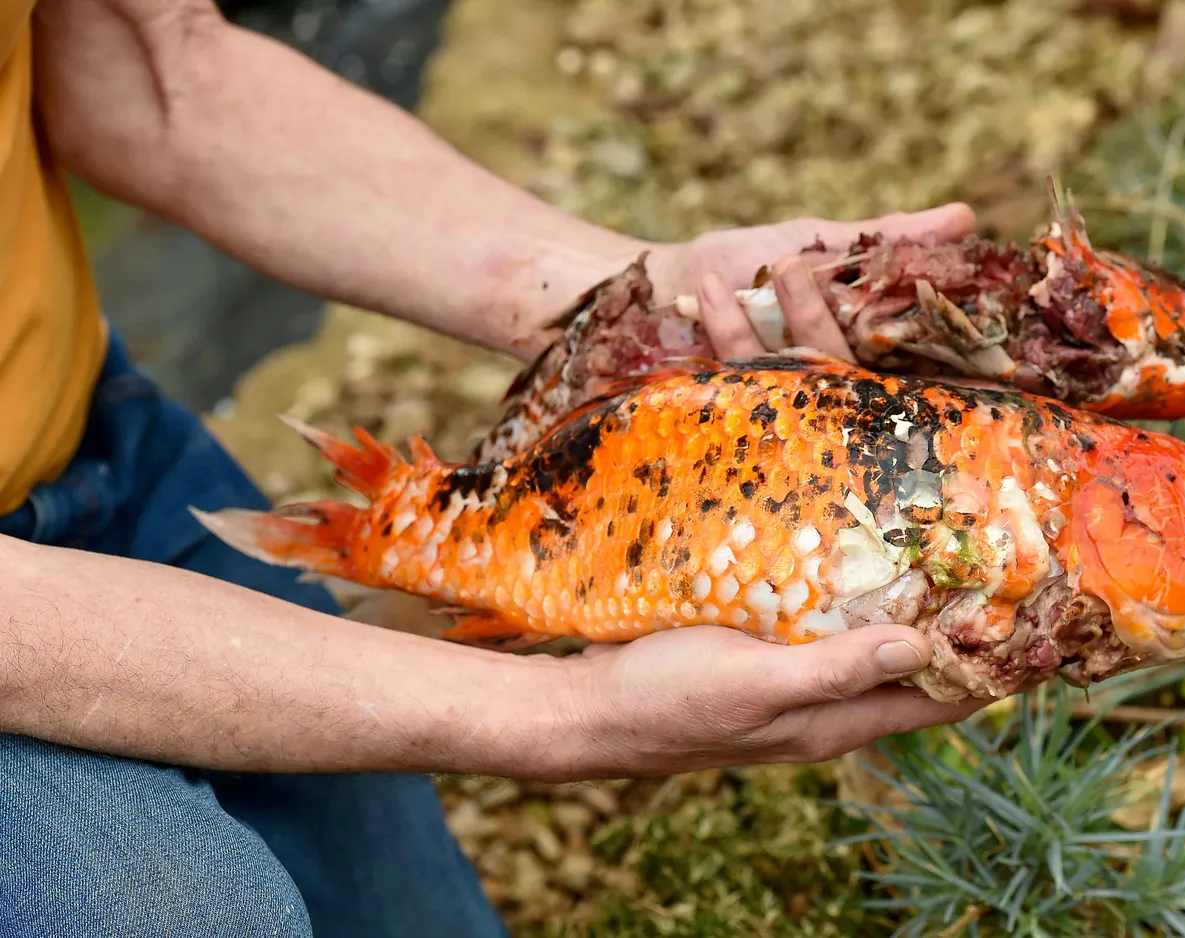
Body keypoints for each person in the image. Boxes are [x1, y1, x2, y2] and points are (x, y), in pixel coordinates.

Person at [0, 0, 993, 934]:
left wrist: (631, 301)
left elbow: (154, 68)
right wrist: (563, 717)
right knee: (184, 906)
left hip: (91, 420)